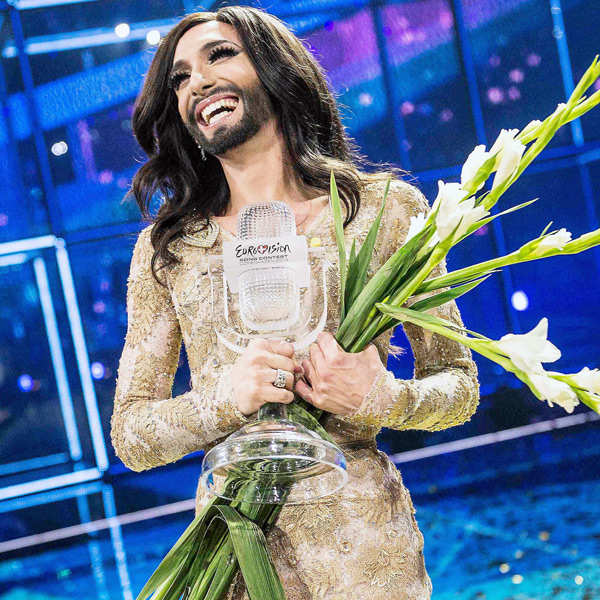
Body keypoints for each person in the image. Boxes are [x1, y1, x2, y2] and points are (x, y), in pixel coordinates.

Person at [110, 6, 480, 599]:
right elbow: (132, 435)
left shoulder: (382, 214)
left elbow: (458, 386)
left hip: (363, 556)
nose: (196, 83)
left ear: (277, 70)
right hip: (233, 560)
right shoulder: (169, 249)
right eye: (179, 78)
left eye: (220, 55)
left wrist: (381, 395)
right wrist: (225, 399)